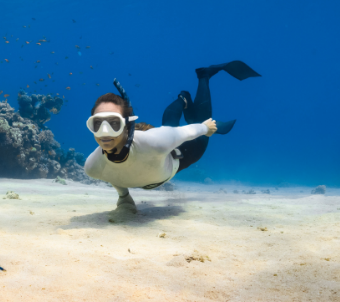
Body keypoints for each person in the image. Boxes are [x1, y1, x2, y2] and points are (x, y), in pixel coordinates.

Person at [84, 61, 260, 215]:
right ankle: (183, 99)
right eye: (97, 124)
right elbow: (111, 173)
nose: (105, 133)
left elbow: (188, 132)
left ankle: (203, 77)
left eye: (114, 123)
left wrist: (206, 127)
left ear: (127, 125)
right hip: (158, 146)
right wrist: (124, 197)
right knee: (168, 127)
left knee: (190, 125)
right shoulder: (93, 166)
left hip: (177, 156)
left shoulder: (155, 143)